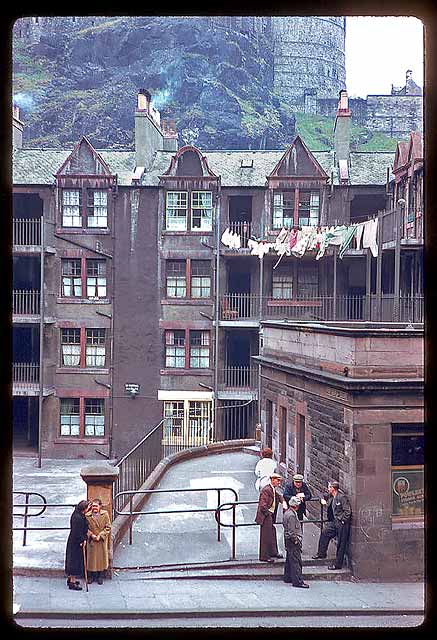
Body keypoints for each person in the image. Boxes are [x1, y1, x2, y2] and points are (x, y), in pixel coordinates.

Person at [312, 480, 352, 569]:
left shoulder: (342, 498)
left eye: (329, 487)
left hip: (341, 523)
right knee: (325, 533)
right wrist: (323, 499)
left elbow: (347, 511)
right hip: (334, 522)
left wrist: (342, 520)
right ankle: (321, 553)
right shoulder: (331, 496)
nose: (328, 488)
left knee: (341, 543)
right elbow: (321, 495)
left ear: (333, 488)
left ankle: (338, 564)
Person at [255, 472, 283, 562]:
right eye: (277, 481)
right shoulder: (266, 490)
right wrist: (268, 514)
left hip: (269, 515)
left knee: (272, 532)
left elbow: (279, 497)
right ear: (272, 480)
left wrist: (285, 502)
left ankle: (273, 552)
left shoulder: (272, 489)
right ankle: (264, 556)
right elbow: (263, 505)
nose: (279, 483)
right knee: (266, 536)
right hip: (266, 516)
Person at [283, 496, 309, 588]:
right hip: (292, 540)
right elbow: (291, 531)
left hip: (288, 540)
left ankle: (287, 577)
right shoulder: (292, 516)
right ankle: (298, 581)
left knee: (290, 559)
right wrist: (296, 540)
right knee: (296, 561)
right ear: (296, 506)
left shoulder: (288, 513)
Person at [64, 499, 90, 590]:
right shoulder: (78, 518)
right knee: (74, 562)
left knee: (74, 560)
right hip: (76, 542)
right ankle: (72, 582)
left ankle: (71, 579)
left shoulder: (78, 514)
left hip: (74, 541)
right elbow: (77, 532)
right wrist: (83, 540)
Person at [85, 498, 112, 585]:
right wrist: (91, 535)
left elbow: (108, 527)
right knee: (92, 559)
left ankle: (100, 576)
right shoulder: (87, 515)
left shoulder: (105, 514)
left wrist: (100, 535)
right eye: (93, 506)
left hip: (101, 540)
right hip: (92, 540)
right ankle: (92, 576)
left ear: (100, 506)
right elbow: (85, 528)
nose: (94, 508)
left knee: (101, 558)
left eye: (96, 506)